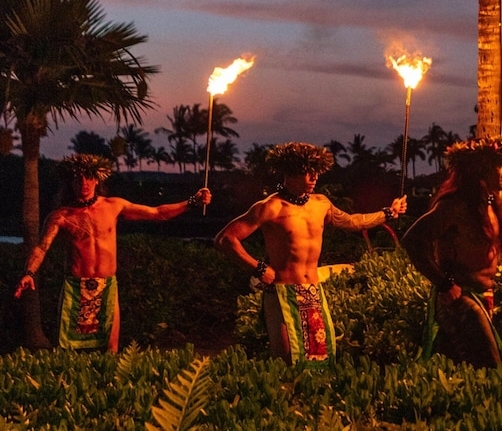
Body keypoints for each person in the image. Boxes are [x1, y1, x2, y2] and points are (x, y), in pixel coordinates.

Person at [214, 141, 406, 365]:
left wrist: (389, 213)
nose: (314, 177)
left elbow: (353, 222)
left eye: (316, 172)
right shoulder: (271, 207)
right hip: (281, 292)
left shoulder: (321, 204)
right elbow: (226, 239)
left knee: (321, 359)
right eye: (307, 172)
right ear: (290, 172)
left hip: (312, 293)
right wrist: (259, 268)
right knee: (286, 360)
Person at [13, 153, 211, 353]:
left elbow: (158, 213)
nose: (84, 182)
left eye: (89, 176)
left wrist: (193, 201)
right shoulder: (61, 216)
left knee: (110, 347)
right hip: (76, 288)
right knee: (68, 348)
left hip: (107, 286)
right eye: (78, 177)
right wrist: (29, 273)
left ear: (97, 178)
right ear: (70, 182)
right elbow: (41, 246)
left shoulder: (114, 206)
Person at [402, 135, 502, 368]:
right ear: (481, 171)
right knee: (490, 366)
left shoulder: (489, 204)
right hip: (461, 300)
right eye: (500, 166)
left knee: (460, 368)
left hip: (482, 296)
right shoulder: (453, 207)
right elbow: (413, 240)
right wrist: (444, 283)